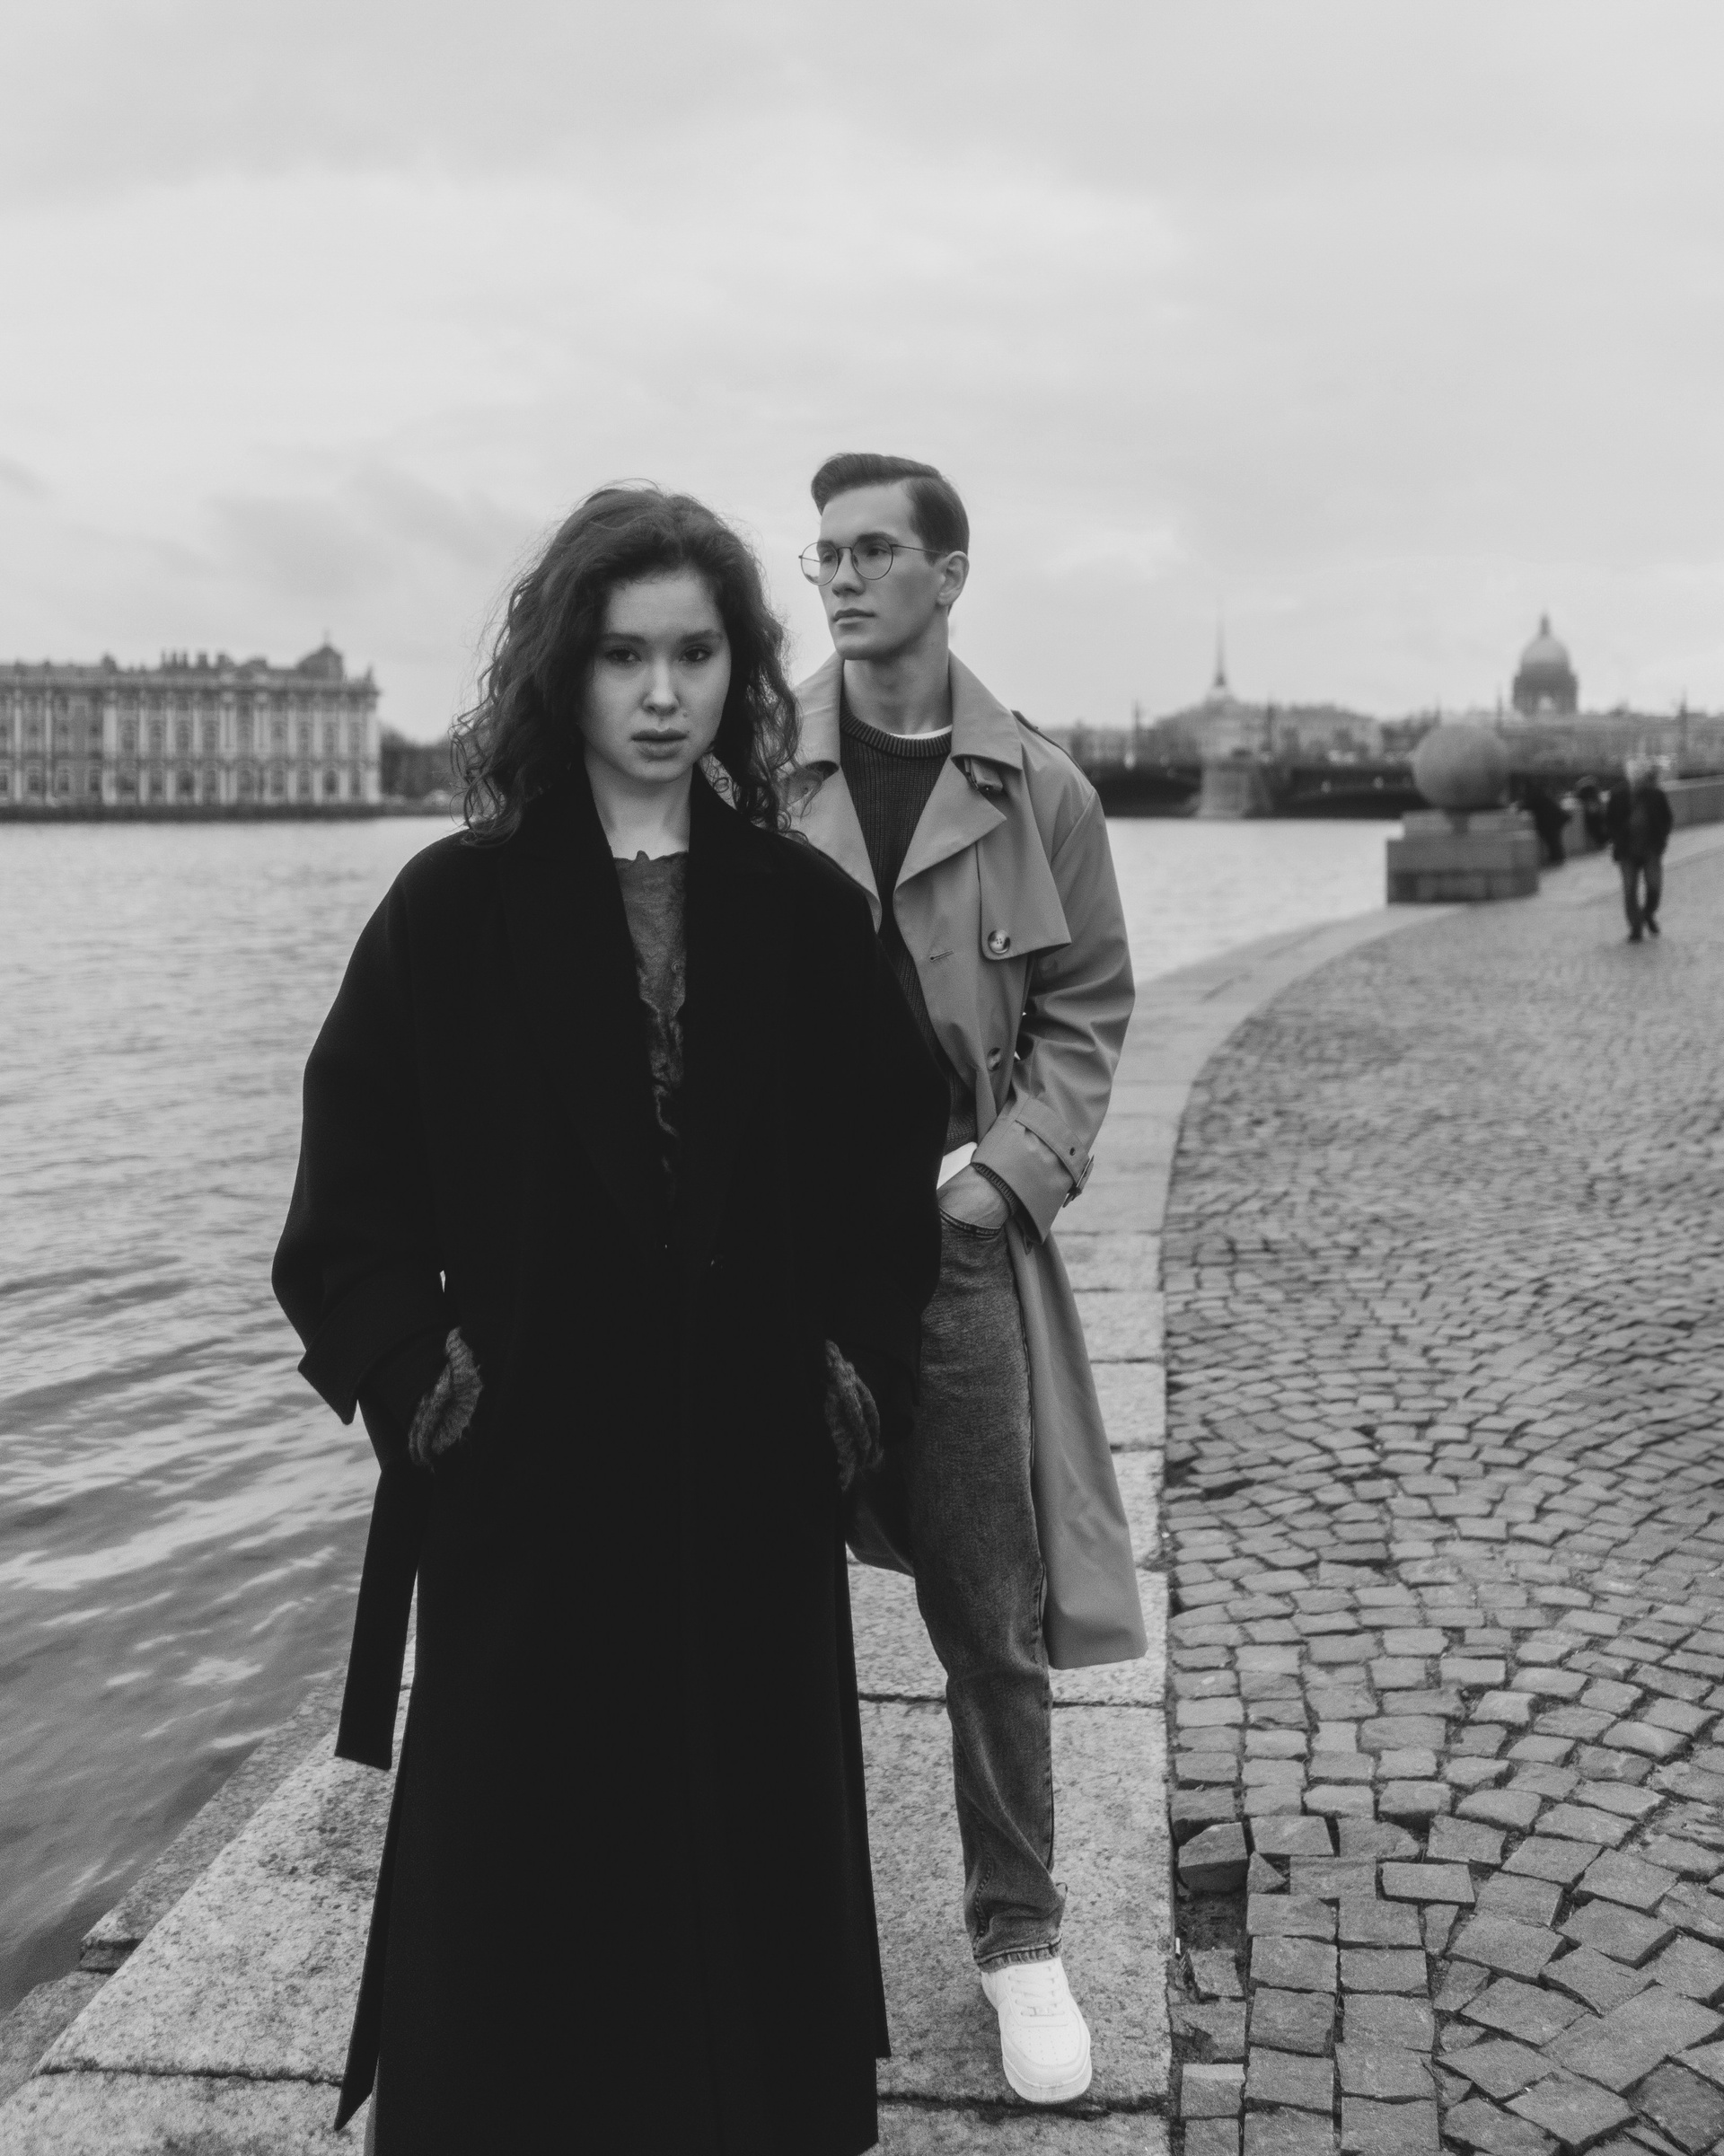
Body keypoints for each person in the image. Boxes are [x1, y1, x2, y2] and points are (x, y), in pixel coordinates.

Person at [272, 486, 947, 2154]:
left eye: (696, 655)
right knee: (530, 1893)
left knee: (746, 1879)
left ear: (739, 672)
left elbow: (885, 1178)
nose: (661, 694)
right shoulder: (449, 910)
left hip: (746, 1485)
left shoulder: (803, 913)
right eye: (624, 655)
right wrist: (426, 1382)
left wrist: (850, 1378)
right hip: (528, 1491)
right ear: (563, 671)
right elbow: (347, 1210)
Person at [788, 452, 1146, 2107]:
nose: (841, 578)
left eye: (874, 551)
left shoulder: (1041, 793)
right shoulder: (749, 772)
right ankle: (762, 1911)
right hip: (776, 1251)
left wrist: (997, 1184)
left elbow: (1086, 1014)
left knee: (991, 1610)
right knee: (746, 1587)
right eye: (824, 554)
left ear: (950, 574)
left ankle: (1020, 1935)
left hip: (952, 1241)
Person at [1605, 755, 1674, 941]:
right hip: (1627, 850)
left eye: (1640, 773)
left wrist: (1662, 838)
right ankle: (1636, 927)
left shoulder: (1656, 794)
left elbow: (1667, 818)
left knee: (1654, 887)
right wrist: (1616, 838)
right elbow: (1610, 820)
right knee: (1630, 891)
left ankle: (1648, 913)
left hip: (1651, 849)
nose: (1637, 776)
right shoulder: (1618, 794)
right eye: (1634, 772)